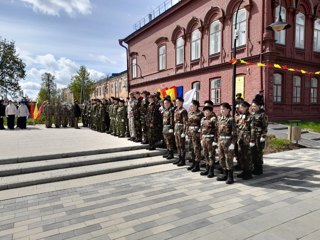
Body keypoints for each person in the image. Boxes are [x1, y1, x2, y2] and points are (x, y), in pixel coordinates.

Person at [216, 102, 237, 184]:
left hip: (228, 141)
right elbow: (218, 131)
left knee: (229, 159)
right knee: (221, 158)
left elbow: (234, 133)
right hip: (220, 141)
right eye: (221, 109)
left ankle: (230, 177)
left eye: (224, 109)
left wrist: (233, 143)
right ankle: (225, 174)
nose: (222, 110)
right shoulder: (220, 119)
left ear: (228, 110)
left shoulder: (231, 119)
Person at [236, 101, 256, 180]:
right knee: (241, 155)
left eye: (242, 107)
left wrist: (252, 140)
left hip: (247, 138)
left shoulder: (251, 117)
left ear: (246, 107)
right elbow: (238, 127)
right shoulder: (240, 116)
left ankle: (248, 172)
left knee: (247, 156)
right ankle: (244, 170)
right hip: (240, 138)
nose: (240, 108)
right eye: (240, 107)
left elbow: (253, 129)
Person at [199, 101, 218, 178]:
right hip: (204, 138)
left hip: (210, 139)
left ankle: (211, 170)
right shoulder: (202, 119)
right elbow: (201, 129)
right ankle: (207, 168)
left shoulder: (213, 119)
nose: (206, 113)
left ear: (211, 112)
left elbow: (217, 130)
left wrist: (215, 140)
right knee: (205, 154)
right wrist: (201, 138)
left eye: (207, 111)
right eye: (205, 111)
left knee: (211, 155)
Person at [251, 99, 268, 175]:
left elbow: (265, 127)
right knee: (253, 151)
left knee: (258, 152)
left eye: (254, 106)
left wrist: (263, 136)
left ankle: (259, 169)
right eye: (252, 106)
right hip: (252, 136)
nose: (253, 107)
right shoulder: (252, 114)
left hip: (259, 136)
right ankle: (254, 167)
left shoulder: (262, 115)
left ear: (259, 106)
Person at [186, 100, 203, 172]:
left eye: (192, 106)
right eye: (191, 106)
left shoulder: (200, 114)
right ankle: (193, 163)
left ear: (196, 106)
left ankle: (197, 165)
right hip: (190, 133)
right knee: (191, 149)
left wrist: (200, 133)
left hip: (196, 134)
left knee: (196, 149)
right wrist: (186, 132)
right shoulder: (189, 113)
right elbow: (187, 123)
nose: (191, 107)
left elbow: (202, 125)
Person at [173, 97, 188, 166]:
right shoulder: (176, 110)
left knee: (182, 145)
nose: (177, 103)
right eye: (176, 102)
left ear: (181, 102)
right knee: (178, 145)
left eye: (178, 102)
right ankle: (179, 158)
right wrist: (174, 130)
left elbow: (185, 122)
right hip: (176, 128)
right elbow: (174, 121)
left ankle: (183, 160)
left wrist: (184, 132)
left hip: (181, 129)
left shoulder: (183, 111)